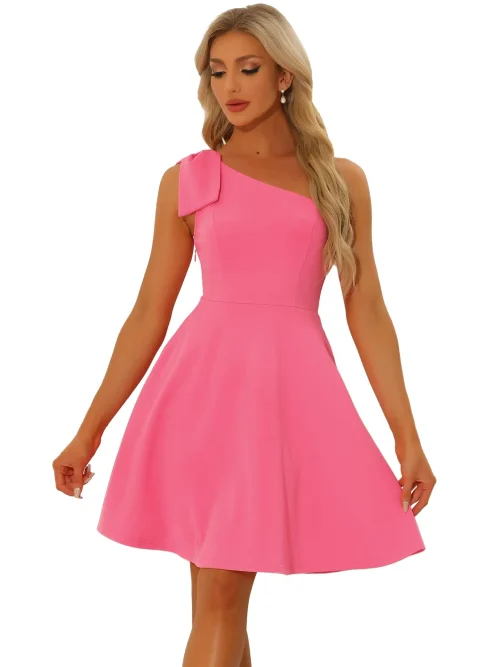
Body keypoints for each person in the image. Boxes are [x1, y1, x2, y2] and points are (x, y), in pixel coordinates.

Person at [52, 4, 436, 666]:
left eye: (249, 69)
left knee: (220, 597)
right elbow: (148, 313)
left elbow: (367, 309)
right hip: (199, 398)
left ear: (284, 75)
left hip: (282, 403)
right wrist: (89, 430)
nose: (230, 85)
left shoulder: (340, 181)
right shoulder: (190, 178)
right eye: (217, 70)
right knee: (220, 598)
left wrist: (407, 434)